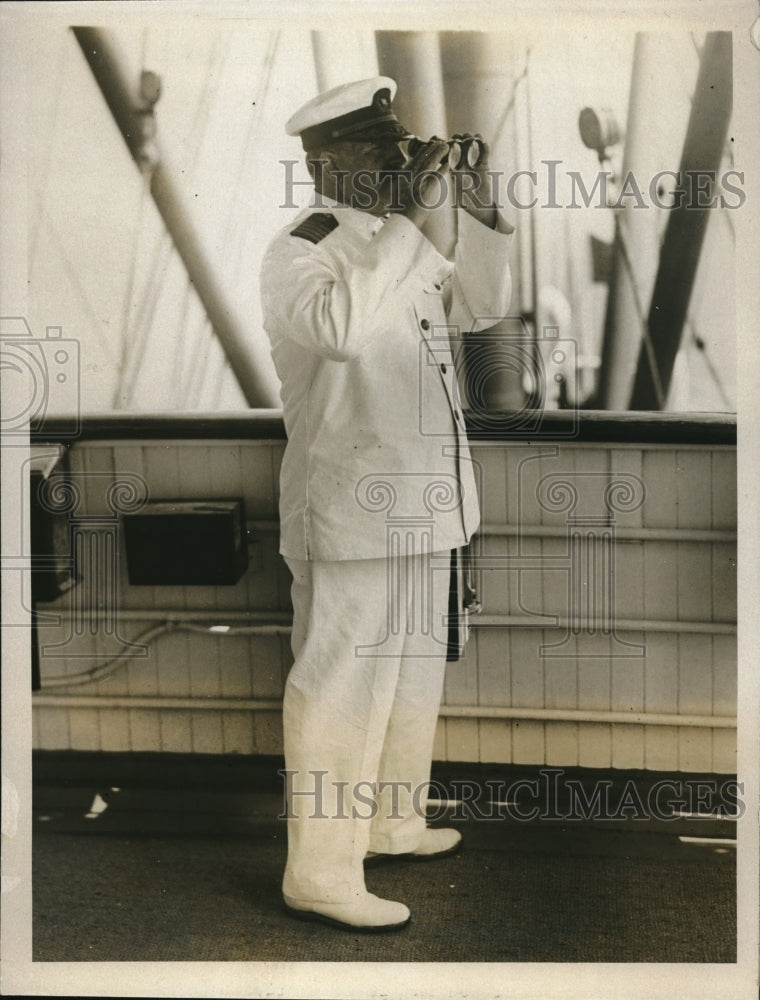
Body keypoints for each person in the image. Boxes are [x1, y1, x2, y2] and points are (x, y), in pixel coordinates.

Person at [260, 76, 514, 932]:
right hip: (352, 512)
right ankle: (321, 874)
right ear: (327, 163)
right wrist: (409, 221)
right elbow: (341, 334)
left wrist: (483, 217)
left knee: (408, 680)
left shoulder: (391, 242)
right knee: (338, 686)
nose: (405, 164)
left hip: (424, 503)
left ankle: (389, 824)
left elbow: (479, 312)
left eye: (405, 150)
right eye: (385, 154)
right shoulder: (303, 250)